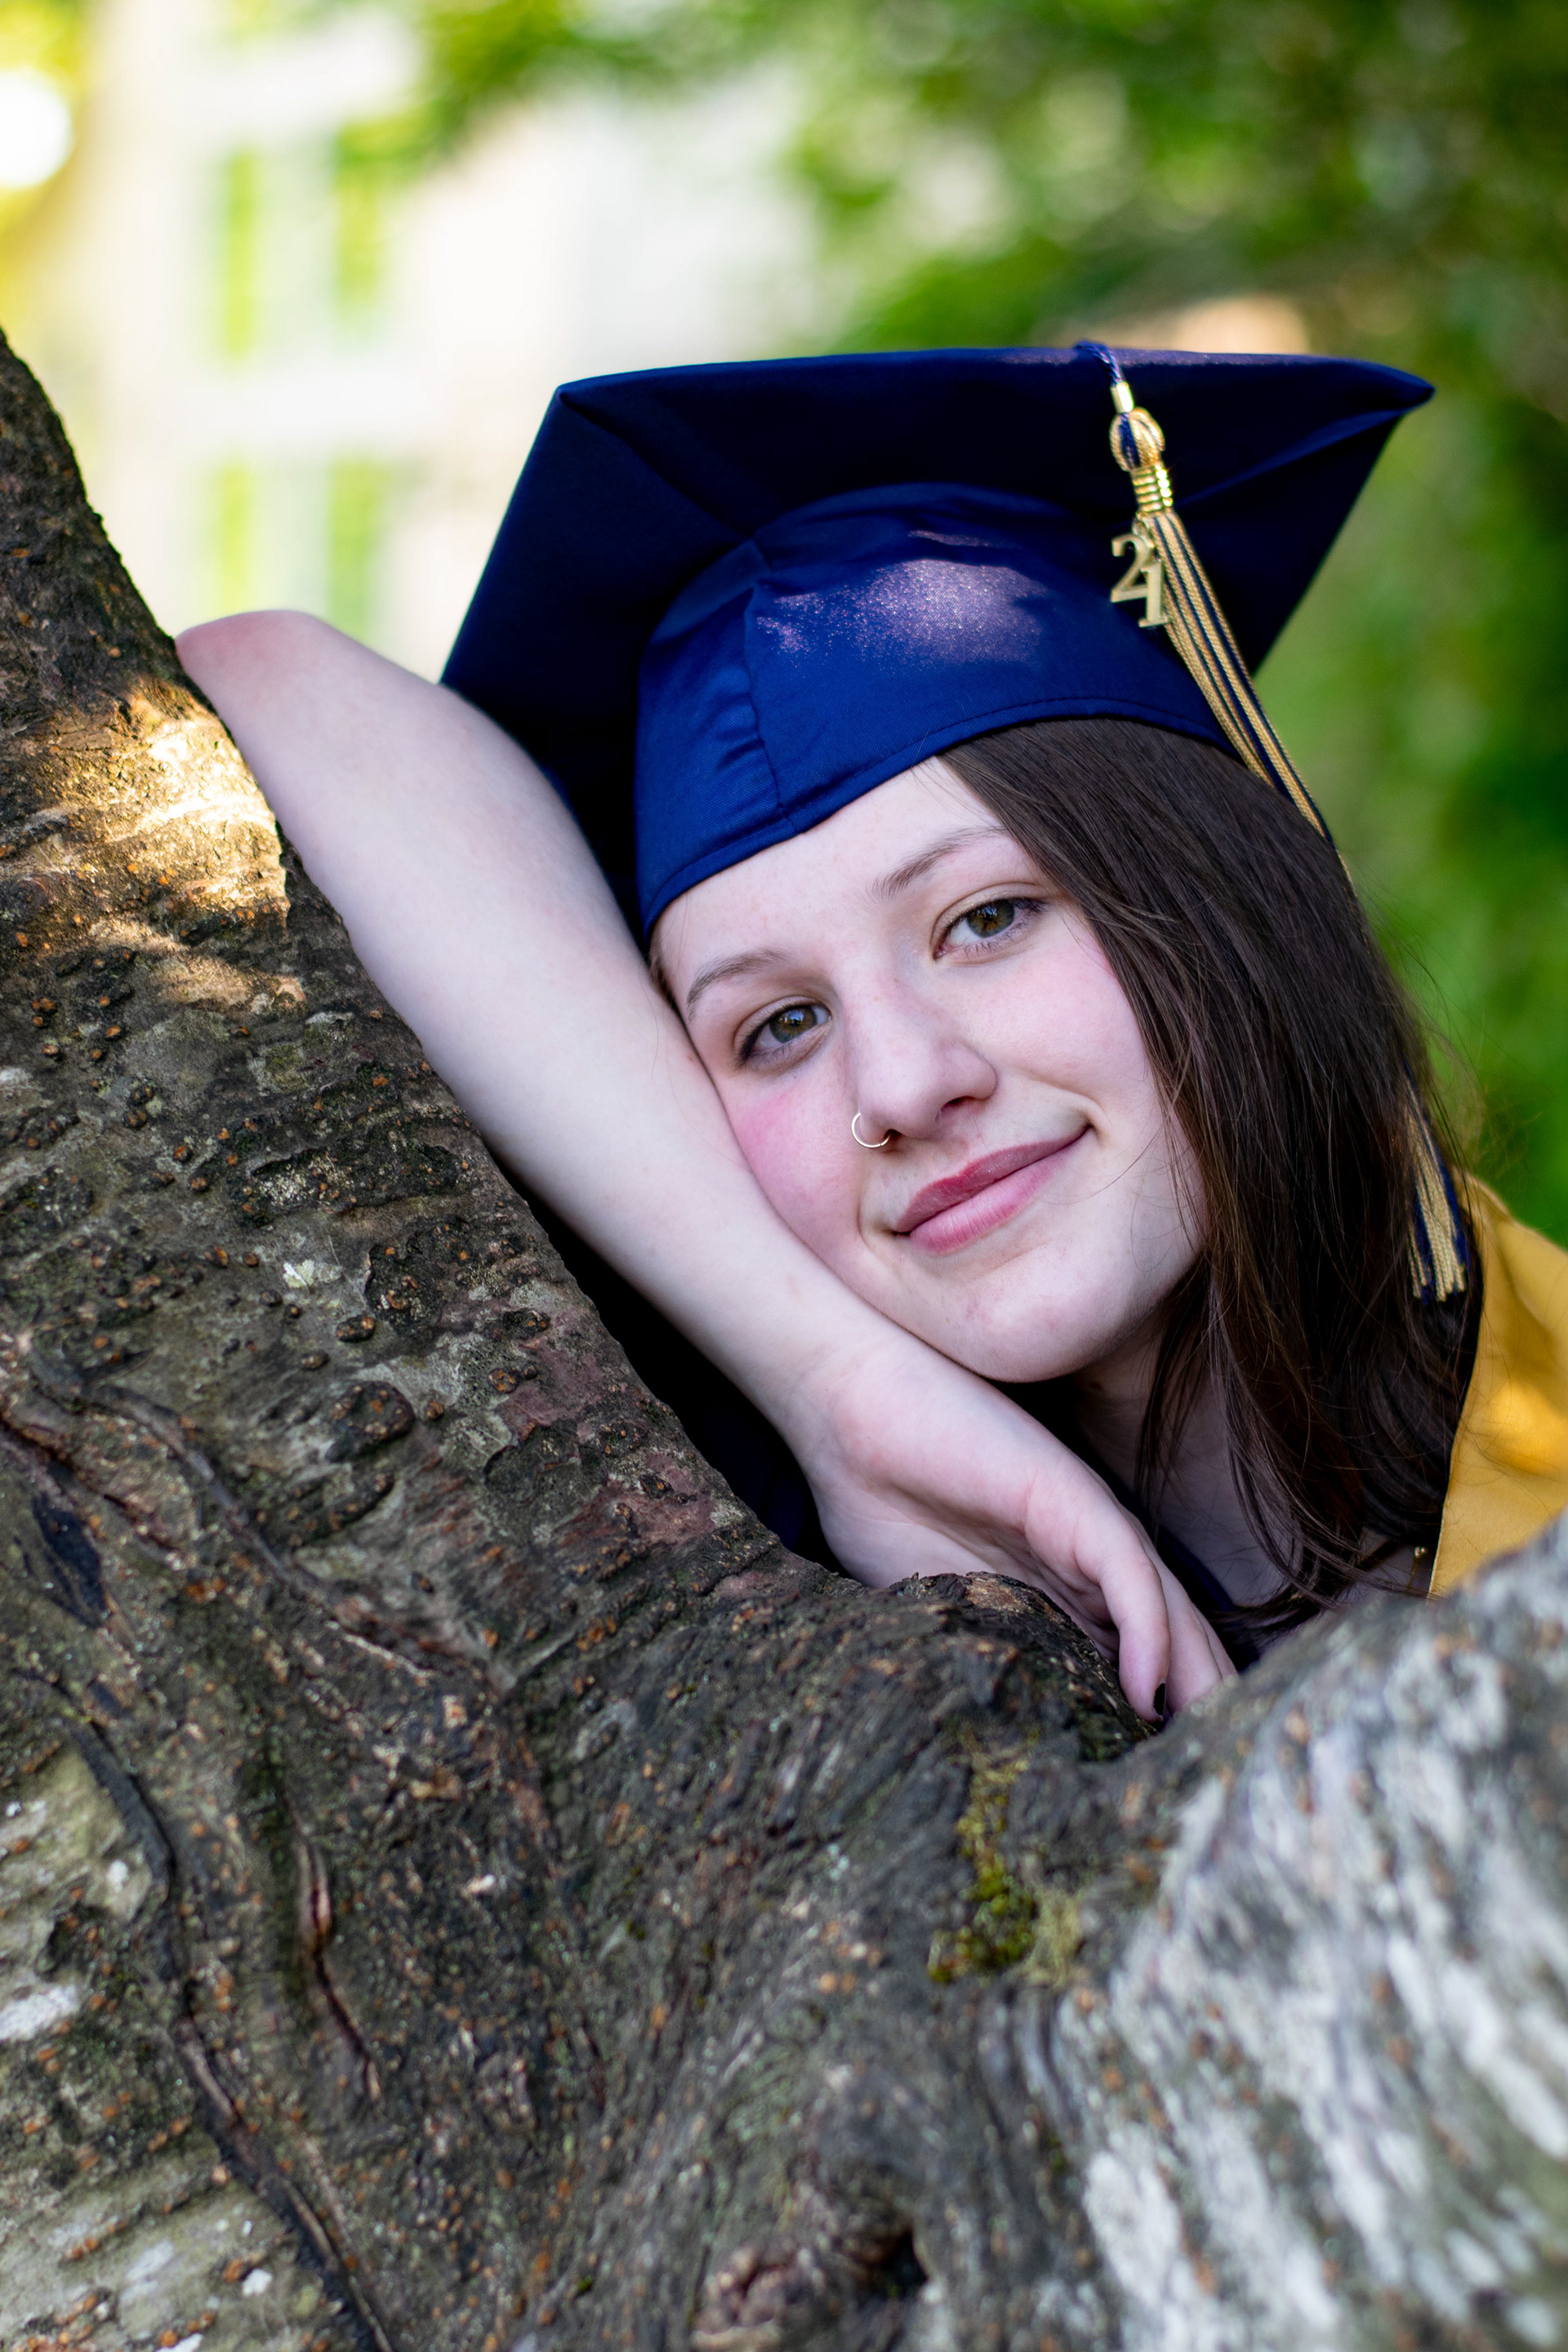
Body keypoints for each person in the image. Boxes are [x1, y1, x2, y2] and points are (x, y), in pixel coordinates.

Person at [177, 343, 1568, 1725]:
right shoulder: (755, 1535)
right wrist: (835, 1387)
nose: (901, 1083)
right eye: (779, 1025)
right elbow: (261, 685)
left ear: (1224, 895)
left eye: (987, 920)